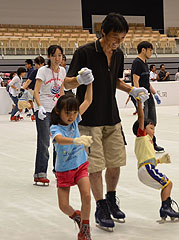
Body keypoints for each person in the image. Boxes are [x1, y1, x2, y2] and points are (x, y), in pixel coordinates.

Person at [64, 13, 149, 231]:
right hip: (89, 120)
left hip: (112, 117)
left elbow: (116, 80)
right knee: (96, 166)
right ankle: (100, 206)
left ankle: (111, 198)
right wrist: (78, 80)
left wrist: (133, 90)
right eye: (114, 36)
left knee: (116, 162)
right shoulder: (85, 52)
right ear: (103, 32)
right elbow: (66, 83)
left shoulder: (118, 54)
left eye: (121, 38)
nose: (117, 42)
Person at [50, 84, 93, 240]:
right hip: (64, 170)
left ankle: (85, 229)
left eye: (75, 113)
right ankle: (76, 216)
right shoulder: (55, 128)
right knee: (63, 206)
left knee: (87, 196)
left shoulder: (75, 120)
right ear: (58, 111)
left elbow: (88, 100)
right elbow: (60, 140)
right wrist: (75, 140)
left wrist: (90, 82)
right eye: (68, 113)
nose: (72, 116)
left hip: (81, 165)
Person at [132, 99, 179, 223]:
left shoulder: (148, 141)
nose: (153, 130)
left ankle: (165, 207)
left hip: (146, 169)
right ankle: (166, 207)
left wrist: (160, 160)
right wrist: (139, 103)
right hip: (146, 169)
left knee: (166, 185)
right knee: (168, 184)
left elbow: (148, 158)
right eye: (151, 128)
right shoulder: (142, 136)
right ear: (143, 128)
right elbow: (141, 116)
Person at [33, 45, 66, 185]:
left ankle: (58, 170)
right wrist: (39, 106)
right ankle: (40, 173)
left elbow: (62, 91)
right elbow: (36, 91)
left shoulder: (63, 71)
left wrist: (64, 108)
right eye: (54, 55)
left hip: (56, 111)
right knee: (44, 141)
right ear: (49, 56)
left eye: (59, 55)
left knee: (58, 141)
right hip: (43, 110)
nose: (57, 58)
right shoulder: (43, 71)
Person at [131, 41, 164, 153]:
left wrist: (155, 93)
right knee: (143, 122)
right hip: (142, 97)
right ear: (143, 50)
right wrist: (139, 98)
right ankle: (143, 144)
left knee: (152, 121)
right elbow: (136, 80)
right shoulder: (137, 62)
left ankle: (152, 142)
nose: (151, 52)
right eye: (150, 50)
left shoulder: (145, 64)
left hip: (148, 96)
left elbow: (146, 82)